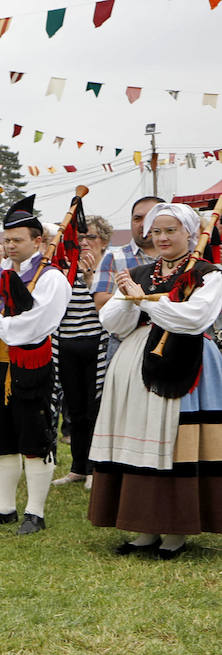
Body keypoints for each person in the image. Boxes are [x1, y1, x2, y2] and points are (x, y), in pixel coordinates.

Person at [89, 203, 222, 558]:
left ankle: (175, 532)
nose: (162, 238)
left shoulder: (208, 274)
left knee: (172, 440)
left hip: (186, 362)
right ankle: (145, 528)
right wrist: (128, 300)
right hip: (136, 362)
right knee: (141, 438)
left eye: (170, 231)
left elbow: (193, 319)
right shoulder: (141, 271)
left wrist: (143, 301)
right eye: (157, 231)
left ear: (189, 234)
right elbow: (113, 323)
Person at [0, 196, 71, 535]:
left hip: (31, 367)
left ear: (38, 241)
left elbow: (38, 324)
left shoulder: (51, 278)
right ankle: (4, 506)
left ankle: (35, 512)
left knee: (34, 438)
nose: (10, 245)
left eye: (17, 239)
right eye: (6, 239)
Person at [52, 215, 112, 488]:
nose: (86, 243)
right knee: (74, 408)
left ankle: (94, 468)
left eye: (92, 237)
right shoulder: (65, 269)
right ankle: (77, 466)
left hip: (96, 345)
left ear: (104, 242)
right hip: (67, 344)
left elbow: (107, 311)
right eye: (81, 238)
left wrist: (90, 282)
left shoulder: (108, 268)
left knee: (94, 408)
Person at [91, 196, 162, 310]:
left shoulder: (185, 258)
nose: (143, 224)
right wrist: (138, 300)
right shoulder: (114, 258)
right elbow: (101, 303)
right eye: (137, 218)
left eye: (151, 218)